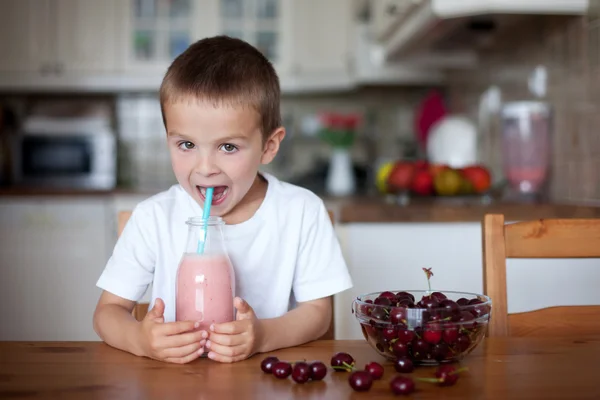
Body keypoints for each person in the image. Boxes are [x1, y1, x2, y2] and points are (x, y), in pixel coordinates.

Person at [93, 36, 353, 364]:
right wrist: (140, 340)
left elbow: (318, 313)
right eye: (186, 145)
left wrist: (263, 336)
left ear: (269, 146)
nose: (205, 168)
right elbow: (107, 313)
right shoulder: (153, 218)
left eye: (228, 147)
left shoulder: (301, 212)